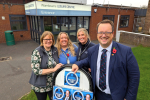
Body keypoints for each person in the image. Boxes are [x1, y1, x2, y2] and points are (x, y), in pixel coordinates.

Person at [71, 19, 140, 100]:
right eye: (100, 32)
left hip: (118, 96)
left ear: (112, 34)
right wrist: (78, 64)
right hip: (98, 95)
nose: (103, 35)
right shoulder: (92, 50)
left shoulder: (125, 51)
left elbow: (134, 76)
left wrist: (129, 98)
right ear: (97, 34)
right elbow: (88, 60)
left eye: (107, 32)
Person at [29, 31, 63, 100]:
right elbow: (36, 71)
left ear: (53, 40)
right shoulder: (37, 52)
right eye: (46, 39)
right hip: (40, 85)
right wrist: (53, 69)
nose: (48, 41)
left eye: (50, 39)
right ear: (42, 40)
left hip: (52, 83)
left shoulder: (55, 50)